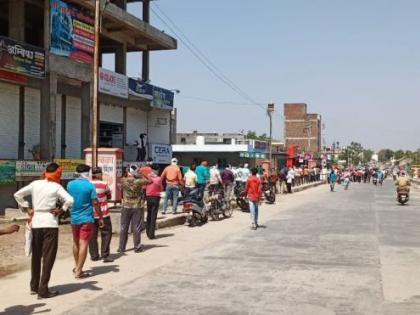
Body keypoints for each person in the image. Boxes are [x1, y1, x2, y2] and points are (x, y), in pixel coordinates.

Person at [14, 162, 73, 298]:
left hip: (36, 222)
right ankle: (43, 289)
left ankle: (34, 286)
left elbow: (18, 194)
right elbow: (70, 200)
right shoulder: (56, 186)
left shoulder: (35, 184)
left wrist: (27, 207)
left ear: (46, 172)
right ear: (57, 174)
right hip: (50, 222)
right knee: (48, 257)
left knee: (36, 255)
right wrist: (61, 209)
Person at [67, 164, 104, 279]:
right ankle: (78, 271)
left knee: (75, 242)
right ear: (87, 173)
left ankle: (77, 266)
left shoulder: (70, 184)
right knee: (84, 243)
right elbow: (95, 203)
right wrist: (101, 217)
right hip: (86, 218)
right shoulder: (89, 186)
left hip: (74, 217)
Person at [119, 165, 151, 253]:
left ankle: (121, 247)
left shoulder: (123, 181)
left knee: (123, 227)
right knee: (136, 227)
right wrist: (142, 174)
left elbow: (123, 177)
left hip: (126, 206)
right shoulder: (138, 181)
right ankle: (137, 247)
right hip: (137, 206)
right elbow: (150, 181)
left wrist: (127, 172)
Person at [89, 167, 114, 263]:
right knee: (106, 233)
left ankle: (94, 255)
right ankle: (105, 255)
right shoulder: (104, 184)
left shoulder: (88, 184)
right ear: (99, 174)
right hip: (103, 213)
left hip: (91, 213)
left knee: (92, 235)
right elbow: (109, 196)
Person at [145, 165, 163, 239]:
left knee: (149, 215)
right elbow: (161, 188)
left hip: (148, 197)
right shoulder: (158, 179)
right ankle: (151, 234)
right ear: (157, 170)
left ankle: (147, 231)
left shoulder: (148, 178)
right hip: (155, 197)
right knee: (153, 216)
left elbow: (144, 187)